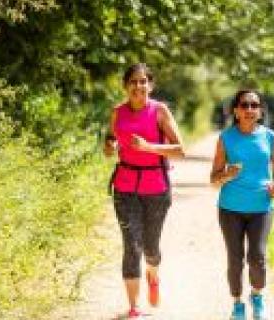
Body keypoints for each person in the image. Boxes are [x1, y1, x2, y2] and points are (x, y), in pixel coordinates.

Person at [103, 63, 184, 318]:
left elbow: (180, 150)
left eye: (143, 81)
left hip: (156, 188)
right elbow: (109, 142)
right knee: (131, 245)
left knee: (150, 247)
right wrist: (110, 147)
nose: (138, 86)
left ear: (150, 85)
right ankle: (134, 307)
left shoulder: (159, 112)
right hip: (125, 187)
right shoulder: (117, 112)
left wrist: (149, 147)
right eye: (133, 82)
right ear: (126, 86)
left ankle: (153, 274)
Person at [210, 89, 274, 320]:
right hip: (230, 208)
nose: (249, 109)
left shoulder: (271, 137)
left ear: (260, 111)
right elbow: (213, 179)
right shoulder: (226, 138)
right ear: (236, 110)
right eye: (244, 105)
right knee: (235, 259)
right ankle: (237, 303)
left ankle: (257, 296)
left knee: (257, 257)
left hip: (262, 207)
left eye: (254, 105)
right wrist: (227, 174)